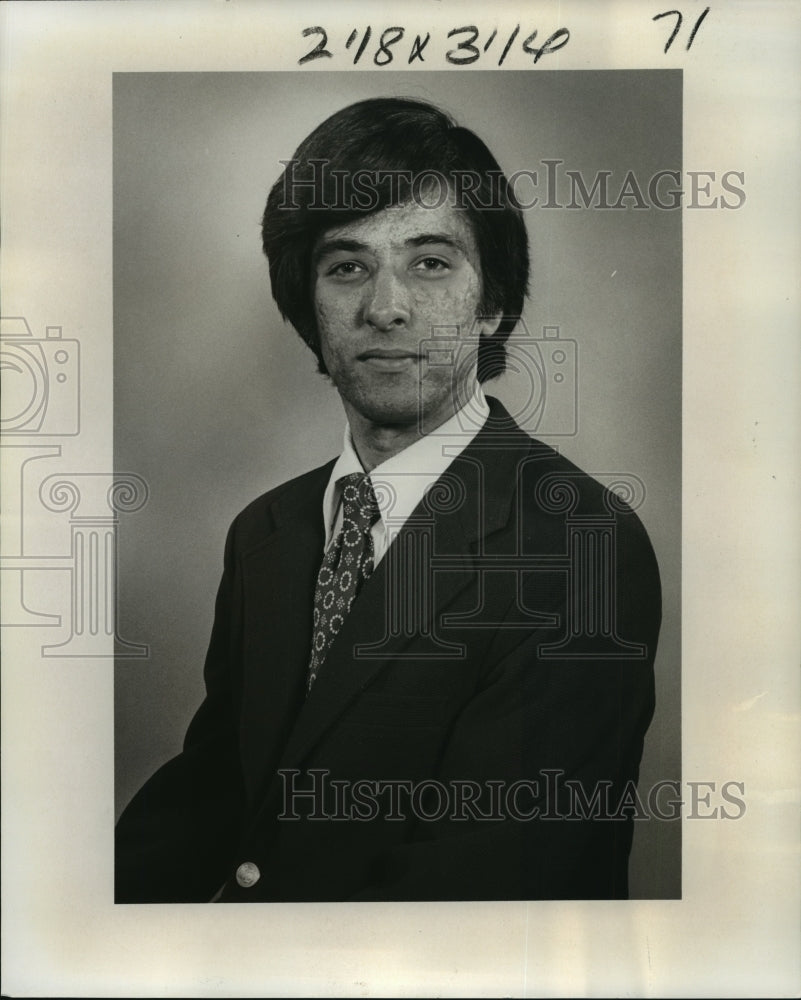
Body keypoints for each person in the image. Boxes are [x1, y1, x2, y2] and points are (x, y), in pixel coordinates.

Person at [115, 97, 661, 903]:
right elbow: (218, 797)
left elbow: (495, 884)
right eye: (347, 266)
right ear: (310, 308)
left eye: (430, 262)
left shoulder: (580, 543)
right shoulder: (267, 532)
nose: (385, 306)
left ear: (492, 305)